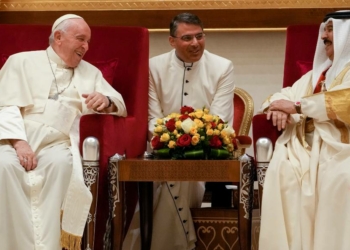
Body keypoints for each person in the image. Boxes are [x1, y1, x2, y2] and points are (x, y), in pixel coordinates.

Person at [0, 14, 127, 250]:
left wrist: (106, 100)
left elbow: (119, 103)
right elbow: (5, 106)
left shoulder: (90, 72)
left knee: (63, 165)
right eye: (81, 39)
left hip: (57, 142)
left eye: (88, 42)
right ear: (58, 37)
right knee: (3, 166)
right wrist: (19, 143)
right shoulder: (21, 62)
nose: (86, 47)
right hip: (14, 138)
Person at [123, 12, 235, 250]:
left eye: (200, 36)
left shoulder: (222, 67)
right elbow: (152, 118)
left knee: (181, 175)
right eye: (187, 38)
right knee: (165, 175)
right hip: (159, 149)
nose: (195, 43)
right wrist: (171, 140)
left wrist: (190, 144)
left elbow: (220, 120)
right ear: (172, 41)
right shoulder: (154, 66)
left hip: (205, 153)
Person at [258, 10, 350, 250]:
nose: (324, 36)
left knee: (341, 178)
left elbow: (343, 101)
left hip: (340, 146)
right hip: (303, 146)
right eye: (325, 30)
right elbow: (283, 94)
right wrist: (276, 107)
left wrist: (297, 106)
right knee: (284, 172)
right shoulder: (317, 74)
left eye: (331, 30)